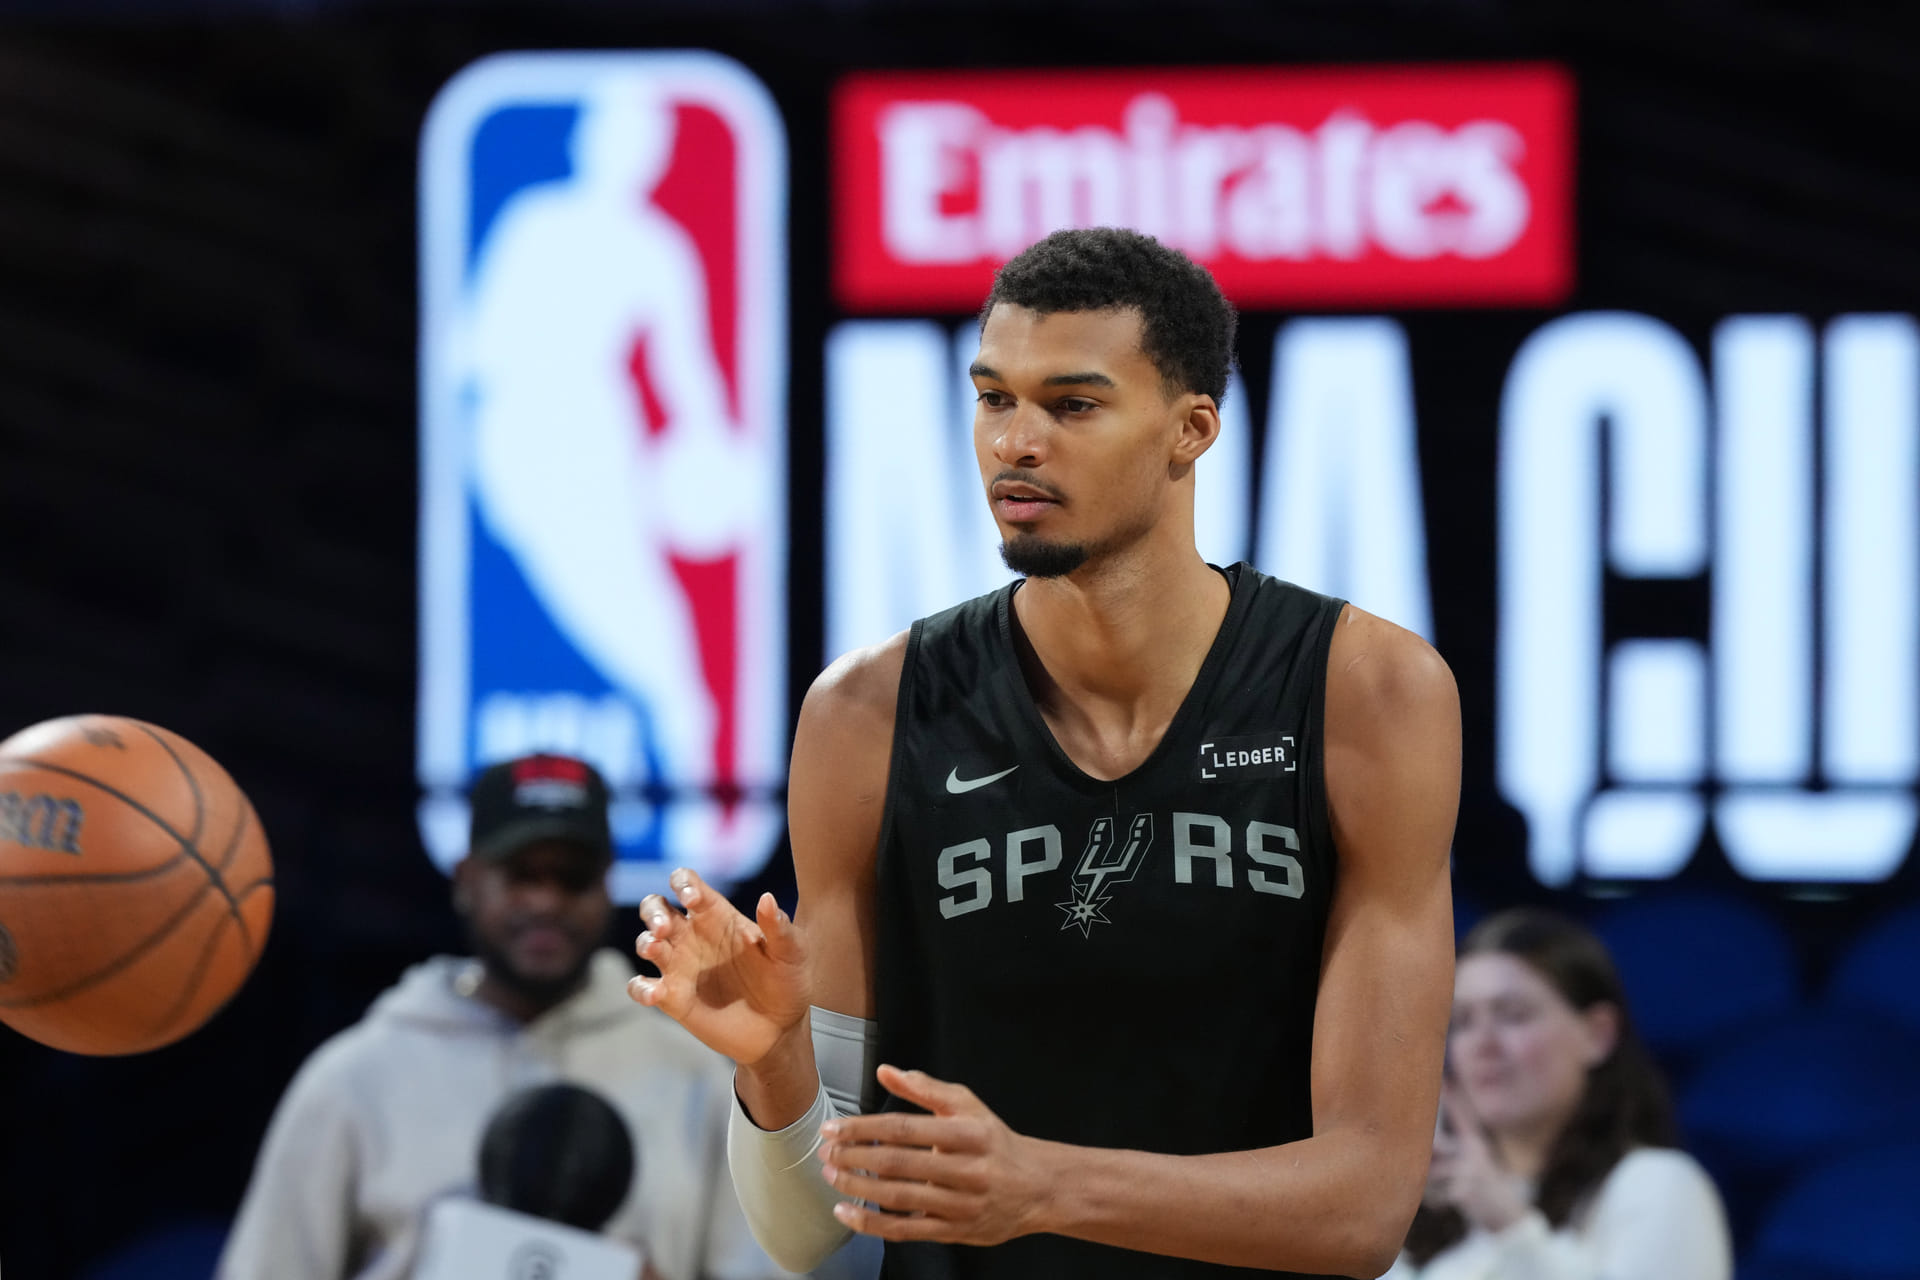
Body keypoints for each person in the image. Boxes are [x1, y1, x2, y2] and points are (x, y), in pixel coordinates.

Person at [630, 226, 1463, 1278]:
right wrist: (779, 1063)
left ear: (1190, 428)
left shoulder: (1366, 691)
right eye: (994, 398)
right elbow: (812, 1231)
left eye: (1072, 405)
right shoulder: (869, 712)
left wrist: (1044, 1186)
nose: (1016, 443)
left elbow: (1365, 1207)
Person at [217, 753, 783, 1280]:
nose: (545, 901)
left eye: (572, 877)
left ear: (607, 881)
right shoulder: (352, 1079)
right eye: (521, 875)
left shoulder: (700, 1080)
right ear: (467, 879)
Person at [1386, 908, 1732, 1279]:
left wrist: (1509, 1225)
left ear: (1598, 1034)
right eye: (1463, 1022)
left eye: (1513, 1015)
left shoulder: (1659, 1185)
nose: (1482, 1045)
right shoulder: (1426, 1202)